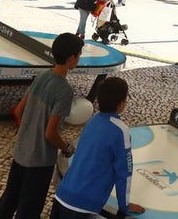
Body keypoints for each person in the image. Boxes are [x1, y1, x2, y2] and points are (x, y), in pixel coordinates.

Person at [0, 33, 83, 219]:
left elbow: (18, 111)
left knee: (10, 199)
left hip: (21, 152)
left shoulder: (41, 76)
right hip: (40, 161)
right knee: (29, 209)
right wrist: (66, 147)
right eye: (79, 55)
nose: (79, 59)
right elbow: (50, 133)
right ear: (71, 58)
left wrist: (29, 130)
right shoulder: (64, 90)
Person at [50, 76, 144, 218]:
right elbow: (124, 172)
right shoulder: (120, 130)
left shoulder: (93, 120)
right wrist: (124, 206)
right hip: (83, 205)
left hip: (63, 194)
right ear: (120, 104)